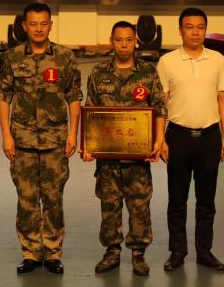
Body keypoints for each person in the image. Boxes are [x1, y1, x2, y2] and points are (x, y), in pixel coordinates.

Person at [0, 3, 82, 275]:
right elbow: (4, 97)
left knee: (54, 198)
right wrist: (6, 135)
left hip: (56, 140)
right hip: (22, 139)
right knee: (27, 199)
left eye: (43, 23)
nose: (39, 28)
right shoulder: (11, 58)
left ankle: (53, 252)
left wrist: (73, 134)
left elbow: (74, 97)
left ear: (51, 25)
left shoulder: (65, 57)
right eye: (33, 24)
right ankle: (31, 252)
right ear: (24, 26)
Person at [82, 21, 167, 276]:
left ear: (136, 42)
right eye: (119, 40)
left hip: (137, 157)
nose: (124, 45)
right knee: (109, 205)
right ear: (111, 41)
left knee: (139, 205)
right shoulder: (98, 72)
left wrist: (158, 140)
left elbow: (160, 108)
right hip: (107, 158)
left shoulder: (148, 72)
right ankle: (112, 251)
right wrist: (88, 146)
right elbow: (91, 111)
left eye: (129, 40)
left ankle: (138, 253)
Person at [157, 7, 224, 272]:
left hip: (210, 137)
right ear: (180, 30)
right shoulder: (167, 61)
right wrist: (160, 139)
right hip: (178, 136)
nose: (195, 32)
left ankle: (204, 251)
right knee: (177, 200)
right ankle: (177, 251)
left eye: (200, 27)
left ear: (205, 29)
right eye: (189, 27)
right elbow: (160, 103)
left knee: (206, 200)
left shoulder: (218, 59)